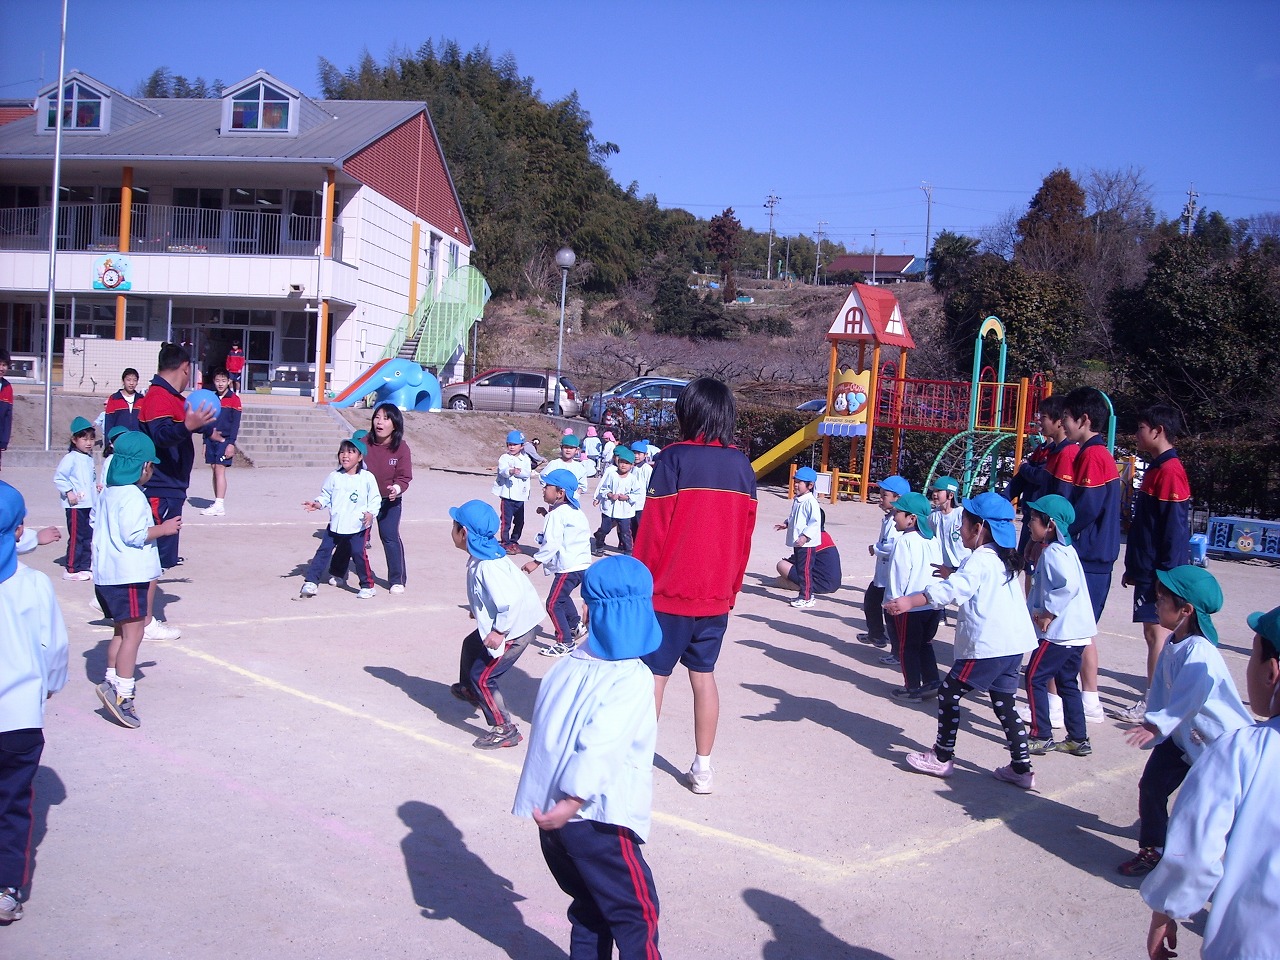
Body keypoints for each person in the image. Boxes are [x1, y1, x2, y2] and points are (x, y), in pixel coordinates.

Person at [512, 555, 663, 960]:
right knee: (636, 916)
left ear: (587, 609)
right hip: (597, 820)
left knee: (590, 911)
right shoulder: (631, 677)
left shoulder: (564, 666)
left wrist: (552, 807)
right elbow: (600, 745)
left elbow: (546, 737)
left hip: (552, 822)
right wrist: (574, 800)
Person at [634, 377, 757, 795]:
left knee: (654, 676)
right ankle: (703, 769)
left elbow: (652, 532)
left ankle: (636, 761)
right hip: (716, 596)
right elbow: (745, 536)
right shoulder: (743, 465)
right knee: (703, 677)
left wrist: (638, 584)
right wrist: (731, 589)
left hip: (668, 593)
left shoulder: (673, 459)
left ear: (688, 413)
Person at [1140, 604, 1280, 960]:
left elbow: (1196, 851)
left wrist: (1166, 909)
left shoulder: (1241, 749)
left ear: (1272, 671)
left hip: (1253, 941)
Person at [887, 492, 1039, 789]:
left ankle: (942, 756)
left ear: (980, 527)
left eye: (965, 523)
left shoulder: (980, 560)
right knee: (1004, 702)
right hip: (1014, 646)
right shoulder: (999, 557)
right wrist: (955, 571)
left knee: (949, 693)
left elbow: (951, 591)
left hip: (989, 647)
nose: (960, 529)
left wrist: (909, 601)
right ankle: (1021, 768)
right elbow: (972, 580)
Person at [1117, 565, 1252, 877]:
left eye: (1163, 599)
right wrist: (1156, 723)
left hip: (1216, 747)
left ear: (1185, 611)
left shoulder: (1200, 653)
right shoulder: (1173, 643)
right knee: (1151, 786)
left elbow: (1191, 695)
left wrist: (1157, 723)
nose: (1155, 602)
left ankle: (1230, 864)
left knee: (1213, 811)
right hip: (1181, 737)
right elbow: (1164, 694)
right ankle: (1153, 849)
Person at [0, 481, 69, 922]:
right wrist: (50, 686)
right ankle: (7, 888)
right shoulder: (34, 585)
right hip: (18, 718)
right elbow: (55, 650)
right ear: (19, 529)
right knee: (13, 804)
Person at [92, 432, 182, 728]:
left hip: (108, 576)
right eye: (151, 465)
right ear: (143, 466)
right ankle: (123, 695)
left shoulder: (109, 493)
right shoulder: (132, 495)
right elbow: (134, 535)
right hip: (127, 576)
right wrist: (164, 529)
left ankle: (110, 680)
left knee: (120, 631)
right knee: (134, 634)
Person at [1114, 404, 1192, 723]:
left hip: (1160, 574)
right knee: (1153, 634)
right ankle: (1158, 696)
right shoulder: (1157, 468)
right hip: (1148, 570)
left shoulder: (1171, 472)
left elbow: (1174, 531)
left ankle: (1154, 701)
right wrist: (1134, 567)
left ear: (1158, 431)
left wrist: (1168, 579)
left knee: (1156, 634)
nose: (1137, 434)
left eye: (1142, 427)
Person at [448, 500, 544, 750]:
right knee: (471, 645)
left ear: (464, 533)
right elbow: (496, 594)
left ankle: (505, 729)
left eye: (454, 525)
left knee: (483, 677)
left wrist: (500, 631)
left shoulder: (488, 566)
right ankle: (471, 692)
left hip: (514, 629)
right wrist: (479, 611)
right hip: (514, 622)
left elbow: (509, 601)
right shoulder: (485, 556)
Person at [1062, 386, 1123, 722]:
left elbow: (1086, 508)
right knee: (1081, 633)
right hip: (1096, 556)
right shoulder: (1099, 454)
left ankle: (1067, 713)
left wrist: (1058, 531)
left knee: (1069, 637)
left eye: (1067, 419)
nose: (1064, 425)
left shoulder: (1092, 456)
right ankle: (1088, 703)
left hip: (1089, 557)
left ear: (1083, 420)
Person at [1022, 495, 1096, 756]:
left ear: (1050, 525)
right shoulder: (1065, 550)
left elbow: (1068, 586)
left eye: (1032, 519)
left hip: (1059, 634)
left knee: (1034, 677)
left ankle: (1040, 734)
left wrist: (1048, 612)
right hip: (1076, 634)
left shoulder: (1054, 552)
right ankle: (1078, 738)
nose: (1029, 523)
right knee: (1066, 682)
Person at [137, 342, 217, 572]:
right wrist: (188, 426)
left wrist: (208, 430)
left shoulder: (174, 398)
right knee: (155, 557)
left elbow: (185, 424)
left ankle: (147, 602)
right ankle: (131, 604)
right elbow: (162, 435)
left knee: (163, 557)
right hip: (160, 486)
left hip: (172, 486)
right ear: (184, 368)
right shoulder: (158, 397)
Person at [298, 437, 381, 600]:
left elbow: (375, 499)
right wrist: (317, 504)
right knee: (323, 552)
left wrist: (371, 513)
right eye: (342, 452)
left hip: (358, 526)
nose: (345, 456)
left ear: (360, 457)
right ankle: (311, 582)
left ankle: (367, 586)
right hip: (335, 525)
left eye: (351, 452)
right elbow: (326, 495)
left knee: (359, 553)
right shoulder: (334, 476)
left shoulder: (367, 477)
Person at [522, 468, 592, 658]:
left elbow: (552, 542)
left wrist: (535, 561)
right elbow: (567, 532)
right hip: (582, 565)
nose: (543, 490)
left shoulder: (557, 515)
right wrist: (547, 514)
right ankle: (574, 626)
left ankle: (565, 642)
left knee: (552, 603)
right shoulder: (573, 511)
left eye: (547, 487)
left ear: (560, 493)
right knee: (562, 597)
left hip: (569, 567)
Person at [884, 491, 943, 700]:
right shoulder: (933, 540)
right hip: (932, 604)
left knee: (906, 647)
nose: (893, 515)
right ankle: (932, 681)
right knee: (925, 644)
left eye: (898, 512)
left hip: (909, 605)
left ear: (912, 518)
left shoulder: (904, 541)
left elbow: (899, 575)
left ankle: (912, 688)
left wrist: (892, 602)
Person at [357, 403, 413, 593]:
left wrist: (396, 489)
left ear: (395, 424)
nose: (380, 422)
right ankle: (337, 571)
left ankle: (397, 580)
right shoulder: (363, 444)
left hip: (390, 501)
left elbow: (404, 477)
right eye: (377, 417)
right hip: (364, 501)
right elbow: (348, 466)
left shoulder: (401, 448)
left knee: (389, 537)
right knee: (353, 537)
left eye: (386, 418)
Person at [857, 475, 910, 650]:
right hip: (882, 575)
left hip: (891, 578)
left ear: (898, 498)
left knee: (891, 613)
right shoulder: (889, 517)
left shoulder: (900, 521)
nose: (880, 498)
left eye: (884, 495)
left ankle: (896, 650)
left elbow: (892, 545)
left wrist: (875, 548)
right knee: (871, 601)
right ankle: (876, 635)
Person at [52, 416, 97, 581]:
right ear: (74, 439)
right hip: (75, 505)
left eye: (92, 439)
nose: (88, 443)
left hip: (89, 504)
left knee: (88, 535)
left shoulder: (89, 458)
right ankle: (71, 568)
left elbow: (90, 479)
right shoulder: (70, 458)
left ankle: (84, 565)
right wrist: (69, 492)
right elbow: (59, 477)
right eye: (84, 438)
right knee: (77, 536)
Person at [774, 466, 822, 609]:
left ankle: (806, 597)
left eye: (800, 482)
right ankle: (805, 594)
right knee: (801, 569)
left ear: (810, 485)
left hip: (806, 544)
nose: (796, 484)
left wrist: (805, 537)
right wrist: (786, 524)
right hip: (798, 542)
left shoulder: (811, 501)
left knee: (805, 570)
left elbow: (814, 522)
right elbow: (794, 517)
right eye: (795, 481)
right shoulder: (798, 499)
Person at [200, 368, 241, 517]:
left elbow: (235, 424)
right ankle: (217, 501)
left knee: (220, 468)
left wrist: (231, 443)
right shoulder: (211, 398)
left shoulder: (234, 399)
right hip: (211, 439)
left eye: (223, 381)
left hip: (225, 439)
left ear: (229, 381)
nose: (220, 384)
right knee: (213, 467)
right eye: (218, 380)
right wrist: (205, 441)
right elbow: (206, 421)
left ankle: (220, 504)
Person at [777, 507, 842, 601]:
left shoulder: (811, 539)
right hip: (833, 583)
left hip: (821, 584)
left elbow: (798, 561)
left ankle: (799, 587)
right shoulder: (824, 536)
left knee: (781, 565)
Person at [591, 445, 642, 557]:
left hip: (624, 511)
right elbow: (603, 488)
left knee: (625, 532)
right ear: (617, 462)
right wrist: (609, 495)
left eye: (627, 463)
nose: (623, 465)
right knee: (605, 529)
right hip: (609, 509)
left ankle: (628, 552)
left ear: (632, 465)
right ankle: (599, 545)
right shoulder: (612, 475)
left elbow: (637, 493)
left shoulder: (633, 479)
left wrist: (627, 497)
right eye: (621, 462)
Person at [494, 429, 531, 555]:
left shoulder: (525, 459)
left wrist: (519, 472)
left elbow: (527, 473)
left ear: (521, 446)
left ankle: (514, 541)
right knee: (506, 520)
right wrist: (510, 471)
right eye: (509, 444)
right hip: (507, 496)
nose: (512, 447)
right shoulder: (504, 458)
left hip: (520, 496)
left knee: (519, 521)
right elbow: (502, 471)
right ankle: (505, 542)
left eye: (515, 444)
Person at [928, 476, 970, 572]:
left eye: (938, 491)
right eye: (934, 491)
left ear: (950, 495)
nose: (934, 494)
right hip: (943, 566)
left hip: (962, 566)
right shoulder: (933, 516)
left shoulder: (961, 514)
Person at [102, 367, 143, 454]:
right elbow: (109, 423)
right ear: (123, 381)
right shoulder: (114, 399)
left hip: (137, 443)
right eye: (128, 380)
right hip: (119, 442)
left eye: (134, 380)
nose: (131, 383)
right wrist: (108, 444)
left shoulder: (141, 399)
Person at [629, 440, 652, 537]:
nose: (636, 456)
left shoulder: (647, 469)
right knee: (629, 527)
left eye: (639, 453)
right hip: (630, 503)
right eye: (634, 453)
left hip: (641, 504)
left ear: (645, 455)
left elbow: (650, 486)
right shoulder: (630, 467)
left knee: (639, 527)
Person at [0, 348, 12, 471]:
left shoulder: (7, 387)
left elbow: (8, 417)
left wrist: (4, 440)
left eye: (4, 365)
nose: (1, 368)